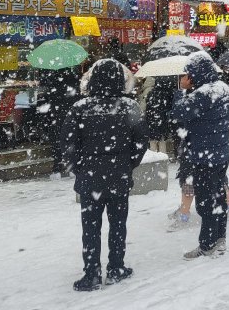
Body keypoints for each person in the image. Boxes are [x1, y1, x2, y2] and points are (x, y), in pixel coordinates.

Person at [61, 59, 148, 292]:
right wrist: (127, 165)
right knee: (118, 224)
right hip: (119, 176)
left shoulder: (80, 108)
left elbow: (67, 145)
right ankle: (116, 268)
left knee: (90, 228)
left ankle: (91, 273)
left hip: (90, 179)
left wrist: (79, 168)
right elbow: (141, 143)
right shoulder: (129, 107)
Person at [171, 52, 229, 260]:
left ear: (196, 74)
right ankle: (220, 238)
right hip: (220, 152)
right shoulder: (223, 89)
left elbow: (179, 113)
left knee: (206, 201)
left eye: (187, 74)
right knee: (218, 196)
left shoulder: (203, 94)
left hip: (203, 155)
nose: (185, 77)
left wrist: (180, 91)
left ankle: (207, 244)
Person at [36, 67, 80, 177]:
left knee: (57, 142)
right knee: (71, 141)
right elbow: (77, 97)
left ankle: (57, 169)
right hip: (70, 114)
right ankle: (71, 168)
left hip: (56, 115)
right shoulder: (74, 78)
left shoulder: (52, 79)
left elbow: (47, 98)